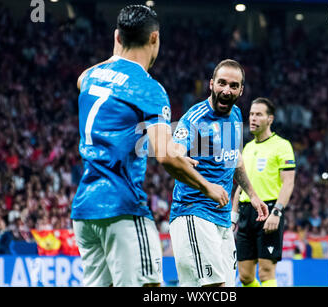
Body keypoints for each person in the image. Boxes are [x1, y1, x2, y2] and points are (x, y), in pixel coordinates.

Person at [71, 5, 229, 287]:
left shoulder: (90, 78)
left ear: (117, 37)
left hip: (84, 211)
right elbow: (166, 157)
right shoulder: (148, 89)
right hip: (121, 206)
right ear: (154, 38)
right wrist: (208, 187)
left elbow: (83, 79)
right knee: (150, 288)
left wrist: (114, 57)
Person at [169, 59, 269, 287]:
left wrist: (252, 195)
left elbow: (235, 158)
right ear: (211, 84)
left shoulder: (235, 116)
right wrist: (179, 156)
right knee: (216, 289)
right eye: (222, 83)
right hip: (193, 214)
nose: (227, 90)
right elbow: (175, 153)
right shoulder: (195, 118)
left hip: (222, 220)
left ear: (241, 90)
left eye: (234, 86)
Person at [232, 97, 296, 287]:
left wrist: (277, 212)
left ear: (270, 119)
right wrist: (233, 216)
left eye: (259, 114)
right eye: (251, 114)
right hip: (245, 212)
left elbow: (288, 182)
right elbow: (242, 185)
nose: (253, 118)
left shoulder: (282, 146)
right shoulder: (248, 148)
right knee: (244, 275)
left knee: (267, 272)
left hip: (269, 212)